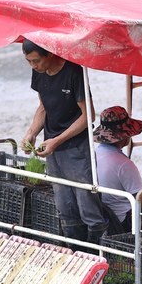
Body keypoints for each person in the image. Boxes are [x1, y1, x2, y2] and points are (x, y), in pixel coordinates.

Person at [21, 39, 109, 246]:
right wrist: (31, 133)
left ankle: (100, 254)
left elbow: (88, 115)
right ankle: (75, 254)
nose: (33, 66)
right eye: (29, 62)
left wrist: (57, 140)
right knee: (65, 207)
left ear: (50, 55)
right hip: (52, 149)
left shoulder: (73, 72)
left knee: (87, 205)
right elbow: (43, 108)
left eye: (36, 61)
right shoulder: (39, 73)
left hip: (76, 148)